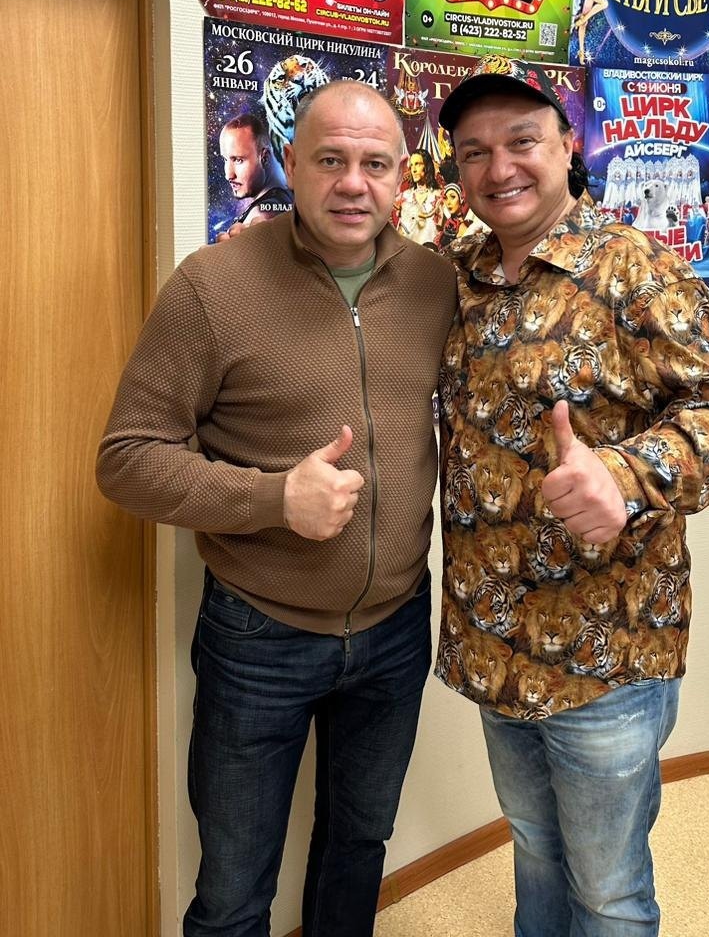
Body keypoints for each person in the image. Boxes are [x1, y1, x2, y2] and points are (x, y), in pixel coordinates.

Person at [96, 80, 457, 937]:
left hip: (396, 629)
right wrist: (271, 499)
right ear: (289, 162)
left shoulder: (436, 285)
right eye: (330, 159)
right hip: (258, 637)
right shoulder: (212, 286)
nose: (352, 184)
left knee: (358, 847)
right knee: (232, 893)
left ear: (402, 175)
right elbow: (127, 460)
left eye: (375, 164)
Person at [434, 56, 709, 937]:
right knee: (535, 847)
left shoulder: (633, 267)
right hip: (492, 637)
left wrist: (623, 475)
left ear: (569, 145)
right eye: (473, 152)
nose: (499, 168)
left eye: (521, 141)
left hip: (605, 652)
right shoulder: (458, 277)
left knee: (608, 890)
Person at [215, 109, 293, 239]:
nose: (228, 175)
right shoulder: (281, 199)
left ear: (264, 157)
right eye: (225, 159)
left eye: (238, 160)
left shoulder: (263, 213)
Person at [392, 148, 445, 247]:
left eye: (417, 164)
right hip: (410, 252)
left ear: (427, 166)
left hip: (433, 252)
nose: (414, 170)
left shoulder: (439, 196)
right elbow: (400, 233)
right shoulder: (405, 197)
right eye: (411, 165)